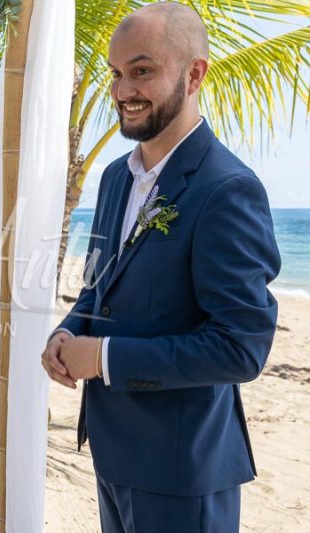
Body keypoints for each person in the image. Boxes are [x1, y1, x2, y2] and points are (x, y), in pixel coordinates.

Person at [40, 3, 280, 532]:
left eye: (142, 71)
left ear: (194, 74)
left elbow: (240, 347)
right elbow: (101, 286)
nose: (123, 90)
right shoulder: (115, 178)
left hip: (181, 470)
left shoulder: (227, 188)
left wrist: (102, 358)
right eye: (116, 74)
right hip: (111, 452)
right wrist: (68, 331)